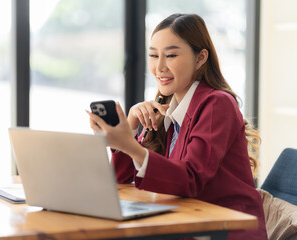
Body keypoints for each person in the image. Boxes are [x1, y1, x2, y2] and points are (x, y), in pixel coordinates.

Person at [87, 13, 267, 240]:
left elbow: (191, 178)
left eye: (170, 55)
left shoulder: (217, 103)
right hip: (187, 223)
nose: (159, 66)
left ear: (201, 58)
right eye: (153, 55)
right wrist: (130, 128)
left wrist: (131, 147)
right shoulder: (167, 111)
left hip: (224, 231)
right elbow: (122, 180)